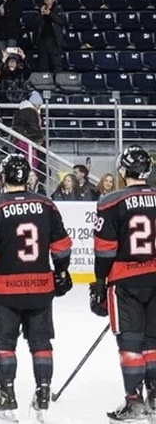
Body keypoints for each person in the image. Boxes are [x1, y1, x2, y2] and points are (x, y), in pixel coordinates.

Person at [0, 152, 72, 421]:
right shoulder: (46, 205)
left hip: (3, 290)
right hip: (40, 288)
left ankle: (8, 396)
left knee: (5, 344)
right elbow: (62, 247)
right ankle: (43, 393)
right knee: (41, 343)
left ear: (3, 176)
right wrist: (61, 272)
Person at [91, 145, 156, 420]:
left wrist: (99, 282)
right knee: (152, 341)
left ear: (122, 170)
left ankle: (134, 401)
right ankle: (155, 397)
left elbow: (104, 249)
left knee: (130, 341)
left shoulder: (111, 201)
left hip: (125, 281)